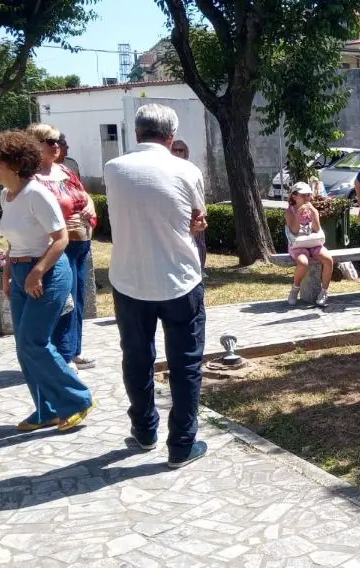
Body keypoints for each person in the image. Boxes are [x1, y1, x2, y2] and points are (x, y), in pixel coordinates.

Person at [105, 104, 210, 469]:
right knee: (186, 363)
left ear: (136, 134)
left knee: (136, 357)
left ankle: (145, 429)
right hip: (179, 277)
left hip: (129, 278)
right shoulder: (186, 169)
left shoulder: (113, 169)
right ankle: (181, 444)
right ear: (171, 136)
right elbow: (197, 217)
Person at [0, 131, 95, 432]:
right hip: (20, 272)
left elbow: (61, 238)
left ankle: (78, 398)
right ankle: (47, 409)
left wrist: (37, 272)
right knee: (24, 346)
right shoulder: (7, 195)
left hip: (48, 272)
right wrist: (8, 274)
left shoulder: (37, 193)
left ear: (16, 163)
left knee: (35, 341)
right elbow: (13, 242)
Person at [27, 123, 97, 371]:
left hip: (79, 242)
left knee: (77, 299)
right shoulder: (32, 179)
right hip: (57, 247)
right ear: (36, 144)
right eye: (49, 141)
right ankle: (63, 355)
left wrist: (90, 205)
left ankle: (74, 350)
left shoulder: (65, 171)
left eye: (57, 141)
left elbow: (83, 194)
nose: (56, 145)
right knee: (62, 301)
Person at [285, 182, 334, 307]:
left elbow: (317, 229)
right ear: (294, 197)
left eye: (308, 195)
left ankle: (324, 292)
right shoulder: (289, 212)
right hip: (298, 245)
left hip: (314, 243)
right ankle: (295, 289)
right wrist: (297, 215)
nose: (307, 198)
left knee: (328, 260)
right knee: (303, 262)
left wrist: (313, 213)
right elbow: (295, 231)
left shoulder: (313, 210)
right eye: (304, 195)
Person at [170, 140, 207, 270]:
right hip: (173, 216)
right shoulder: (164, 171)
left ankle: (200, 270)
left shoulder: (193, 170)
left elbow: (199, 194)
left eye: (181, 150)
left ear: (186, 154)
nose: (178, 153)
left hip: (193, 214)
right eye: (175, 150)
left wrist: (201, 215)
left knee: (198, 243)